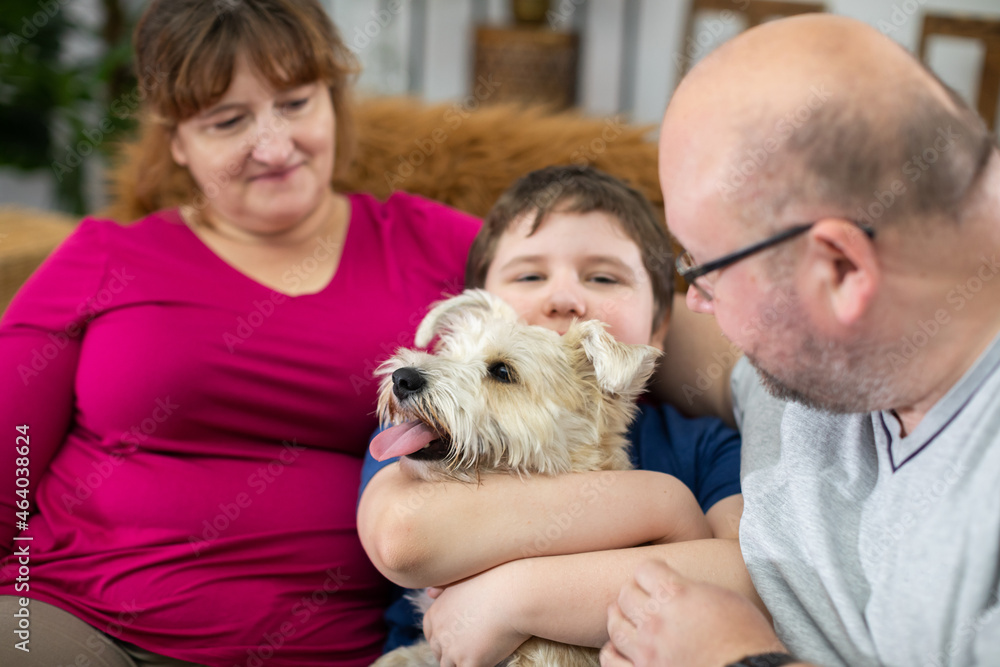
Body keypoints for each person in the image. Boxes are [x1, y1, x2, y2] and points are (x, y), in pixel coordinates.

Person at [0, 1, 480, 665]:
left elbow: (592, 321)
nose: (275, 148)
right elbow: (10, 459)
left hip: (335, 650)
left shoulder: (437, 246)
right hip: (72, 616)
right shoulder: (105, 257)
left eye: (295, 103)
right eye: (228, 121)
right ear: (176, 140)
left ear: (332, 99)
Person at [603, 14, 1000, 667]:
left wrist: (733, 656)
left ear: (841, 269)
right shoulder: (835, 346)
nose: (695, 301)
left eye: (705, 269)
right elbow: (649, 334)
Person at [357, 165, 755, 663]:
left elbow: (751, 583)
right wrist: (667, 509)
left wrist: (513, 599)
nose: (564, 298)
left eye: (603, 277)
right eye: (530, 275)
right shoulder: (422, 436)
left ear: (659, 326)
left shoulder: (706, 448)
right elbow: (404, 540)